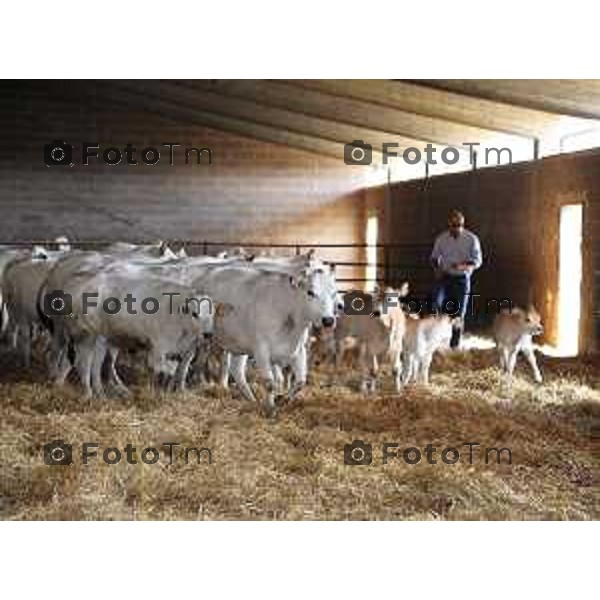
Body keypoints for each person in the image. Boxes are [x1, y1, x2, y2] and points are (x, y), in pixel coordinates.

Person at [430, 209, 483, 349]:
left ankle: (454, 343)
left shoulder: (472, 239)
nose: (456, 228)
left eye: (459, 225)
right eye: (453, 225)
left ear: (463, 224)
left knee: (459, 312)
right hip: (445, 276)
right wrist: (437, 269)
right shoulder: (442, 238)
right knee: (436, 302)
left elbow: (478, 261)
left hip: (462, 279)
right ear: (449, 225)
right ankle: (434, 335)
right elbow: (434, 257)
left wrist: (463, 265)